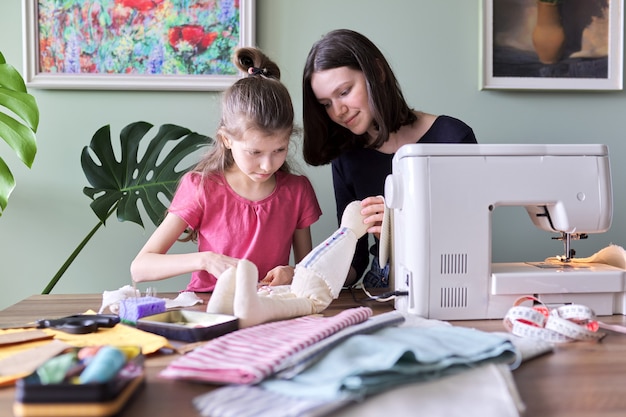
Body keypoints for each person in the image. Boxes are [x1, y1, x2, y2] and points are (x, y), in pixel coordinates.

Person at [131, 47, 322, 292]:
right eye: (255, 152)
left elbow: (310, 271)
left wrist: (293, 273)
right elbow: (140, 267)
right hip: (208, 310)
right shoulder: (201, 187)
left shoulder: (297, 191)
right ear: (227, 140)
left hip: (270, 311)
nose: (267, 165)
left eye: (279, 150)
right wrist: (207, 260)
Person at [302, 29, 477, 288]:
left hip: (449, 278)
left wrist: (401, 223)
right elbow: (356, 259)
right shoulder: (347, 158)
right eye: (326, 103)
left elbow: (470, 234)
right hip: (381, 284)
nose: (338, 111)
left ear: (377, 73)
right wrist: (309, 276)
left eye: (344, 92)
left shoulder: (452, 137)